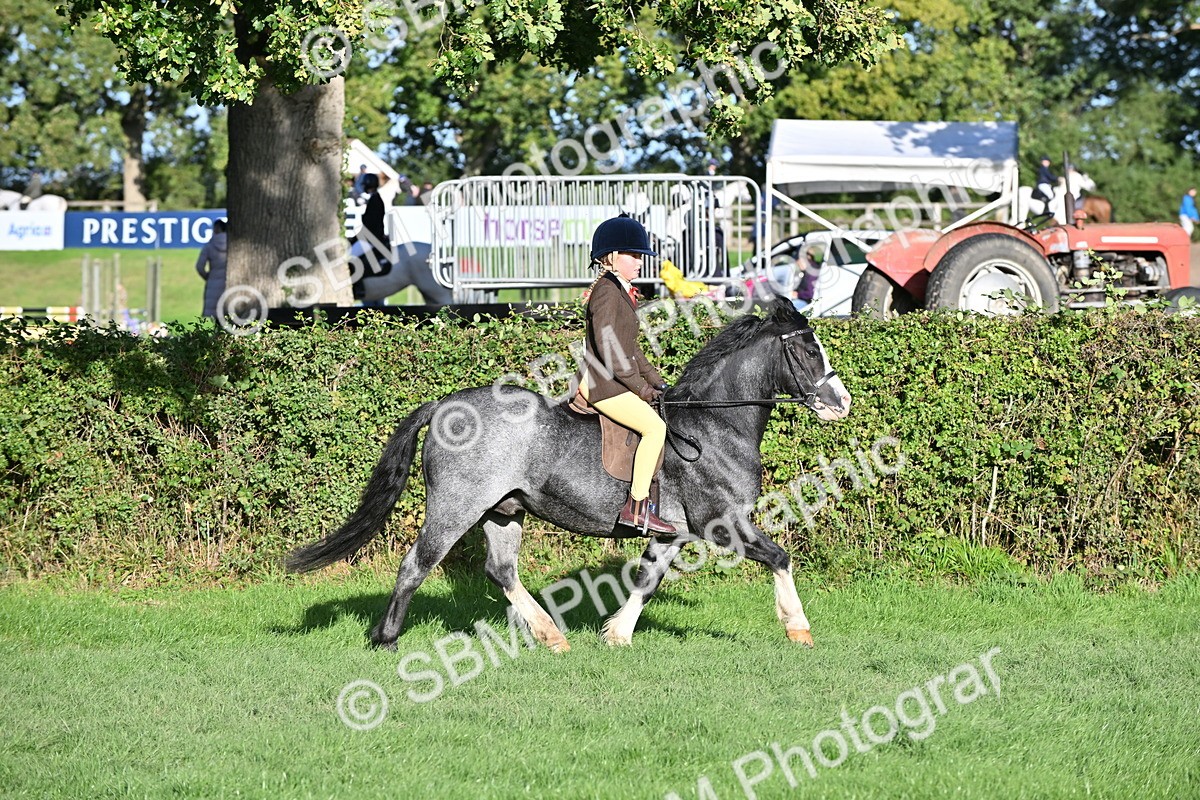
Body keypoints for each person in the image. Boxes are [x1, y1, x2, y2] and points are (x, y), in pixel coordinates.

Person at [579, 214, 675, 534]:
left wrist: (658, 381)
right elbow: (611, 350)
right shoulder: (607, 292)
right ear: (611, 257)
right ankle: (635, 507)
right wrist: (641, 389)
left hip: (612, 379)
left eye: (639, 256)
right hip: (602, 384)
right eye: (633, 256)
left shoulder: (621, 290)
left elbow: (631, 349)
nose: (639, 262)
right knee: (654, 428)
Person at [350, 174, 392, 302]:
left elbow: (370, 225)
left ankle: (358, 287)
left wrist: (356, 238)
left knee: (349, 257)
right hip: (371, 237)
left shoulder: (375, 200)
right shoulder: (374, 199)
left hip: (371, 239)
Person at [195, 218, 228, 319]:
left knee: (216, 320)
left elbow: (199, 266)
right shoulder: (233, 244)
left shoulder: (209, 246)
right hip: (229, 283)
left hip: (213, 283)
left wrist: (209, 278)